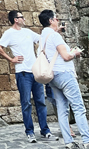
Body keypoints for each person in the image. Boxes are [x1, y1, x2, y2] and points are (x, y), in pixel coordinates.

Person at [0, 10, 55, 142]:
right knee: (26, 103)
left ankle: (45, 131)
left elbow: (41, 40)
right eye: (22, 17)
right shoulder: (9, 33)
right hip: (22, 73)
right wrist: (11, 59)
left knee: (41, 102)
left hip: (35, 72)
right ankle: (30, 132)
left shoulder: (28, 32)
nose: (24, 19)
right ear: (16, 19)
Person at [38, 9, 89, 149]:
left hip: (53, 76)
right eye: (56, 19)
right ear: (50, 21)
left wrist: (57, 32)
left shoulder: (43, 37)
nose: (58, 21)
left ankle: (69, 142)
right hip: (65, 74)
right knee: (78, 107)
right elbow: (66, 56)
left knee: (62, 110)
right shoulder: (55, 37)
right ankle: (87, 140)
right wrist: (76, 53)